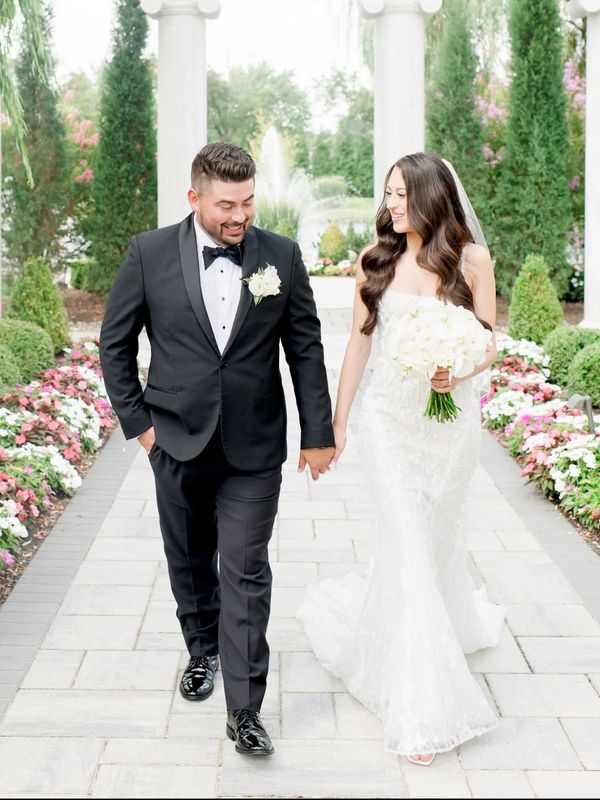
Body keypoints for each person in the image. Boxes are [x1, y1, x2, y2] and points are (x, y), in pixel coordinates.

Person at [100, 142, 335, 756]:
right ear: (195, 197)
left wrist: (317, 433)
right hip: (175, 439)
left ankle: (245, 709)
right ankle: (201, 650)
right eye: (227, 205)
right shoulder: (149, 253)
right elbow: (114, 345)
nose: (240, 216)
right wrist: (141, 427)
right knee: (188, 558)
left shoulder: (281, 255)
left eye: (248, 202)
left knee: (246, 568)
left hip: (254, 446)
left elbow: (305, 349)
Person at [297, 152, 505, 766]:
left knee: (435, 539)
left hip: (449, 426)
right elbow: (359, 348)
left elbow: (488, 339)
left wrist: (457, 368)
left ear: (433, 196)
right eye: (388, 193)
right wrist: (336, 424)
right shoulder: (376, 259)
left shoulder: (472, 260)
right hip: (389, 422)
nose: (391, 204)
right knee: (409, 544)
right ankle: (423, 710)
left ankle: (443, 627)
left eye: (402, 194)